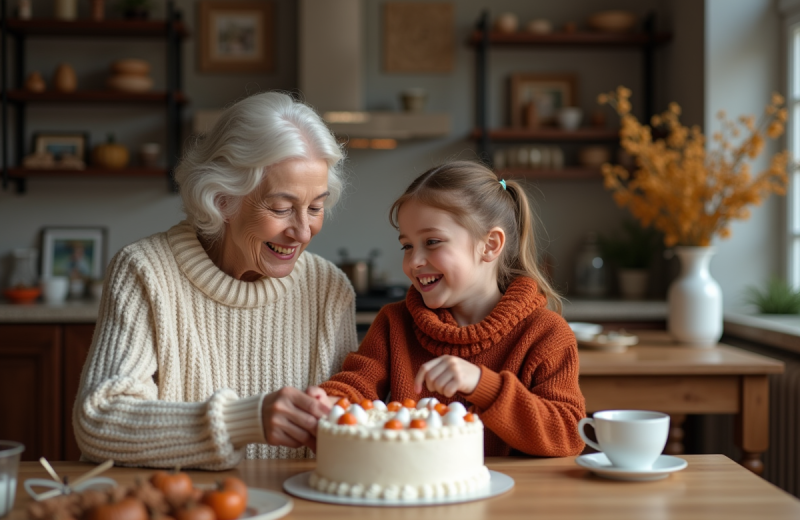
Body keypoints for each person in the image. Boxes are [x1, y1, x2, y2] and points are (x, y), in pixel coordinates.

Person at [73, 92, 356, 470]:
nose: (303, 232)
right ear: (222, 199)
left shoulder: (328, 289)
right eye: (282, 208)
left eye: (316, 207)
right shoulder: (146, 271)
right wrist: (243, 421)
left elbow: (353, 425)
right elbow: (99, 420)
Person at [319, 161, 586, 457]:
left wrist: (484, 385)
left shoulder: (547, 334)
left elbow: (569, 434)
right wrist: (327, 403)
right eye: (407, 246)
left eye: (432, 242)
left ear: (490, 245)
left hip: (511, 501)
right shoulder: (393, 323)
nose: (414, 261)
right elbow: (357, 387)